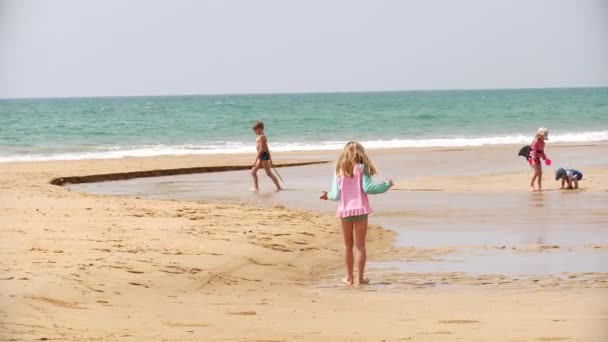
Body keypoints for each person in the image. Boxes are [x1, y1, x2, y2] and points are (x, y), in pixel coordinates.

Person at [320, 142, 393, 286]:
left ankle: (349, 278)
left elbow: (335, 195)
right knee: (360, 246)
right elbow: (369, 188)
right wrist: (386, 185)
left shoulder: (338, 170)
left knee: (348, 245)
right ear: (361, 154)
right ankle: (360, 279)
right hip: (360, 210)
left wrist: (326, 195)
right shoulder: (362, 168)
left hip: (345, 211)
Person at [251, 121, 282, 191]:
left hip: (263, 156)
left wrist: (255, 160)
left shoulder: (262, 137)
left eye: (255, 130)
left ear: (260, 129)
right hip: (262, 156)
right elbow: (267, 147)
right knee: (253, 172)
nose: (254, 132)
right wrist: (270, 159)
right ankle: (256, 188)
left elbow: (262, 149)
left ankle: (279, 187)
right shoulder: (260, 137)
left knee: (268, 173)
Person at [529, 127, 550, 192]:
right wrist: (533, 160)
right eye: (543, 136)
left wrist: (545, 158)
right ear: (540, 135)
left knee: (540, 173)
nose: (543, 138)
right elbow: (533, 150)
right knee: (536, 172)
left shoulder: (543, 143)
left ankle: (539, 186)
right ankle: (531, 185)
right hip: (532, 158)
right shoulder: (535, 141)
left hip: (538, 159)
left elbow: (542, 152)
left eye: (544, 137)